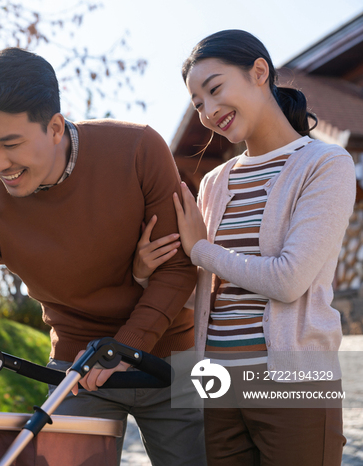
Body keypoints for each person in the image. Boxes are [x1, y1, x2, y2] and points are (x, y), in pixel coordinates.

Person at [0, 47, 206, 465]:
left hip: (170, 360)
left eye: (11, 144)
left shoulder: (137, 149)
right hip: (76, 371)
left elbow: (177, 266)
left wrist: (127, 347)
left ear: (54, 127)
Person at [134, 30, 355, 465]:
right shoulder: (215, 183)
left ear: (259, 72)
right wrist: (145, 272)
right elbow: (203, 296)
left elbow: (288, 280)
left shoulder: (326, 164)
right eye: (198, 104)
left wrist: (200, 250)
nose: (209, 111)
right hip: (213, 383)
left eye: (215, 89)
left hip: (295, 383)